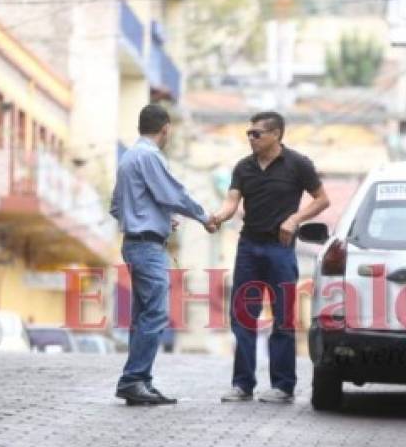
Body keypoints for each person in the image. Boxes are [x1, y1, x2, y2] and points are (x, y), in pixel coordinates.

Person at [210, 111, 330, 403]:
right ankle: (242, 385)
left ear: (276, 135)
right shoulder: (243, 167)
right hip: (248, 247)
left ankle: (283, 386)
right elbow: (232, 201)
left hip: (280, 249)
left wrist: (295, 219)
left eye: (256, 133)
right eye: (248, 133)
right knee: (243, 315)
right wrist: (219, 217)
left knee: (283, 317)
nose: (251, 138)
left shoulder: (298, 164)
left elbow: (322, 199)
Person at [109, 104, 217, 405]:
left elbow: (117, 206)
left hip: (134, 242)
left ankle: (140, 381)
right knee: (155, 312)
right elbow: (173, 193)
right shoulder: (150, 156)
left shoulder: (129, 157)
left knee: (142, 315)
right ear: (165, 128)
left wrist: (155, 216)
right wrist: (204, 216)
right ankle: (133, 379)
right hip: (147, 246)